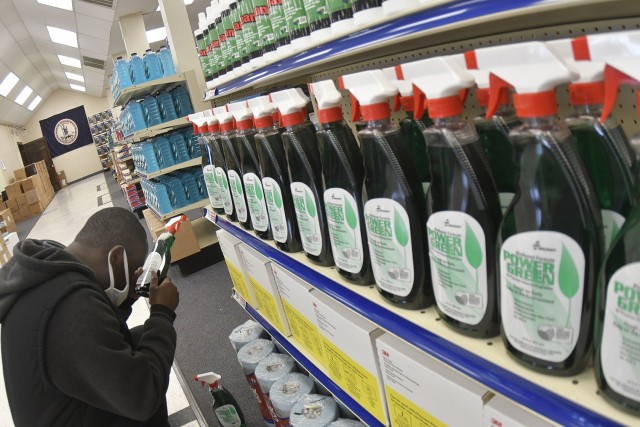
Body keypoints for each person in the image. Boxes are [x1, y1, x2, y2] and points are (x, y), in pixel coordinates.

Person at [0, 207, 180, 426]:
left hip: (58, 405)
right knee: (147, 383)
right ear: (116, 257)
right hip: (73, 416)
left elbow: (94, 334)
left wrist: (127, 298)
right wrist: (162, 313)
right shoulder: (71, 307)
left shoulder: (52, 265)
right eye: (132, 266)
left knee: (144, 336)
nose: (136, 273)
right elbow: (143, 396)